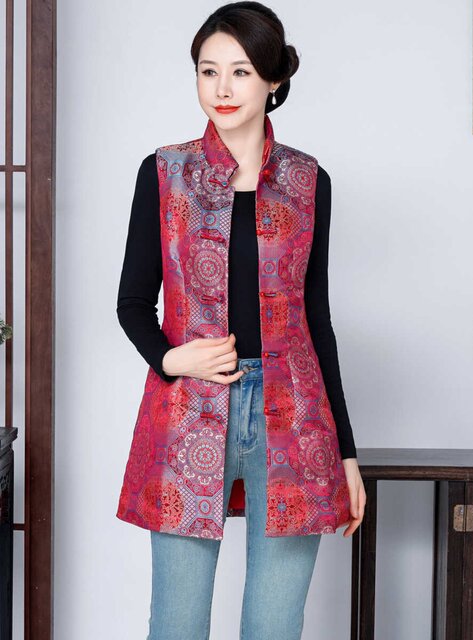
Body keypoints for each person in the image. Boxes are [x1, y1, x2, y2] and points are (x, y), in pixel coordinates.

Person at [116, 2, 366, 638]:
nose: (222, 89)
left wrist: (345, 452)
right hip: (188, 410)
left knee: (274, 626)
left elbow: (316, 320)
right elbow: (131, 301)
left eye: (241, 71)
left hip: (295, 419)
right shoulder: (165, 173)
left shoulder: (309, 182)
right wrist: (171, 357)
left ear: (273, 79)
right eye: (208, 71)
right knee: (176, 623)